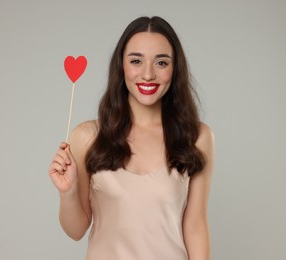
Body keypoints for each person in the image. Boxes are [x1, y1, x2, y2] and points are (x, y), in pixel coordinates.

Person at [48, 16, 214, 260]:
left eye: (161, 62)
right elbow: (75, 230)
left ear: (175, 69)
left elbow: (196, 226)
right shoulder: (87, 137)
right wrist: (68, 192)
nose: (147, 74)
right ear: (121, 66)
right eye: (136, 61)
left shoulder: (197, 137)